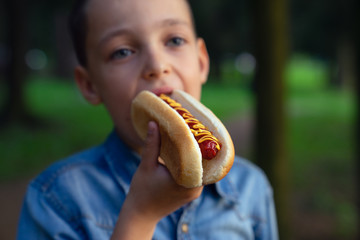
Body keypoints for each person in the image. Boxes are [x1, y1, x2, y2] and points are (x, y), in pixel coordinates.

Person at [17, 0, 278, 239]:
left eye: (174, 40)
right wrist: (140, 215)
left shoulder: (252, 187)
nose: (157, 64)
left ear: (201, 62)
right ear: (89, 85)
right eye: (122, 52)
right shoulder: (55, 199)